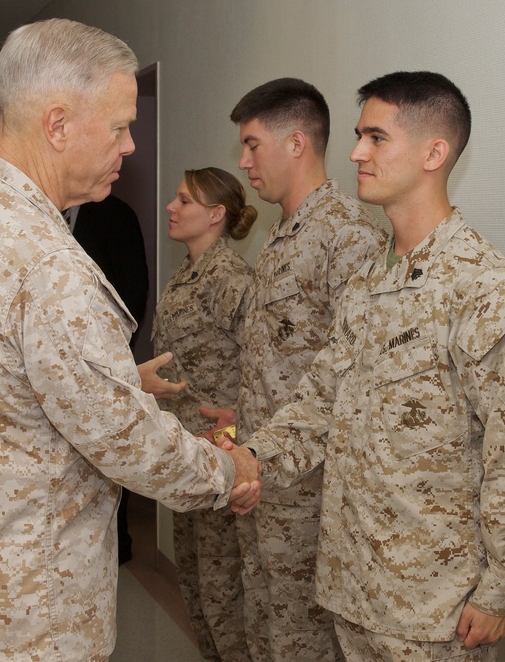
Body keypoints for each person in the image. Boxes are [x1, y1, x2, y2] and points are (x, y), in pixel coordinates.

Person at [0, 19, 260, 662]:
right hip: (38, 608)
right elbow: (129, 443)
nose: (132, 144)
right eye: (118, 125)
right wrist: (230, 471)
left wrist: (112, 379)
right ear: (58, 125)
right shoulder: (47, 263)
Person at [224, 71, 505, 661]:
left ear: (435, 152)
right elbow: (318, 402)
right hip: (352, 587)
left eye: (376, 138)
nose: (356, 152)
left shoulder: (484, 290)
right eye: (358, 136)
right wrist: (253, 458)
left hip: (432, 608)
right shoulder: (367, 284)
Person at [211, 77, 386, 662]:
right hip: (263, 476)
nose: (243, 162)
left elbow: (356, 380)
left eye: (253, 145)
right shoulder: (281, 235)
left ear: (296, 143)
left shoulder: (348, 235)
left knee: (303, 642)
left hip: (311, 496)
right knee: (264, 626)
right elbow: (281, 359)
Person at [155, 167, 257, 661]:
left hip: (220, 454)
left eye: (184, 201)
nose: (171, 208)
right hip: (186, 452)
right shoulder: (183, 275)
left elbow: (262, 364)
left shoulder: (230, 277)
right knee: (194, 579)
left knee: (222, 590)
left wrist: (238, 426)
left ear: (215, 215)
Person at [64, 192, 150, 564]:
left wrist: (111, 350)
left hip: (102, 355)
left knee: (111, 445)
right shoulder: (47, 212)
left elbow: (132, 287)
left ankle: (116, 541)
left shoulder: (115, 214)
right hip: (60, 361)